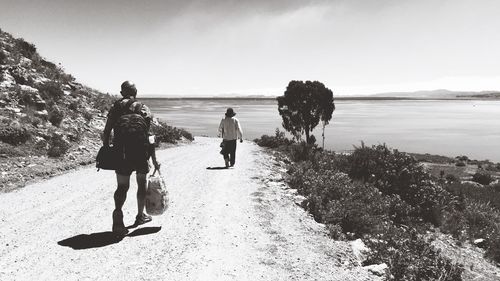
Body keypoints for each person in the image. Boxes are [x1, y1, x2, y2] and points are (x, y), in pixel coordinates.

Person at [102, 81, 160, 236]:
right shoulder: (143, 108)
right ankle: (140, 216)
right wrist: (153, 158)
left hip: (121, 152)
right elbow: (149, 136)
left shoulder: (116, 107)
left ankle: (118, 214)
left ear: (122, 93)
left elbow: (107, 131)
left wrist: (106, 148)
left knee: (122, 187)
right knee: (141, 184)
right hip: (140, 152)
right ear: (136, 92)